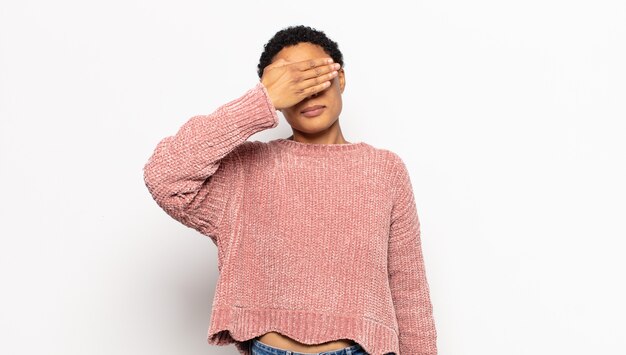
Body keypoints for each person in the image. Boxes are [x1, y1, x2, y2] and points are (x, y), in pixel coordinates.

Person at [143, 25, 437, 355]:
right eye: (293, 84)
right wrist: (259, 102)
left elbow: (409, 288)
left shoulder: (385, 170)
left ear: (340, 78)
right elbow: (165, 176)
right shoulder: (246, 170)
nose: (307, 94)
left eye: (315, 76)